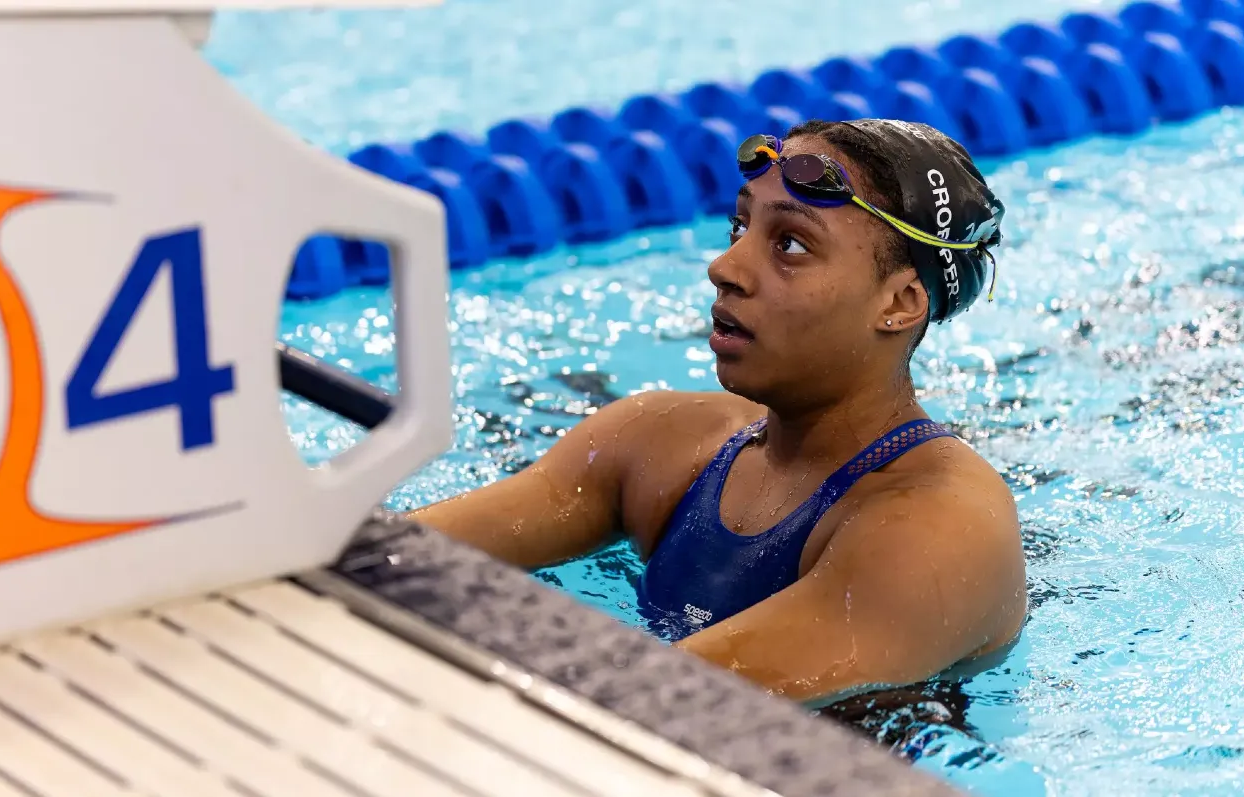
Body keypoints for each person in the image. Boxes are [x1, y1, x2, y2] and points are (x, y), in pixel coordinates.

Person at [409, 118, 1027, 705]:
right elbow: (395, 552)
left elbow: (656, 702)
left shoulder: (940, 533)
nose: (724, 268)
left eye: (790, 244)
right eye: (740, 228)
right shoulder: (657, 443)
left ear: (900, 301)